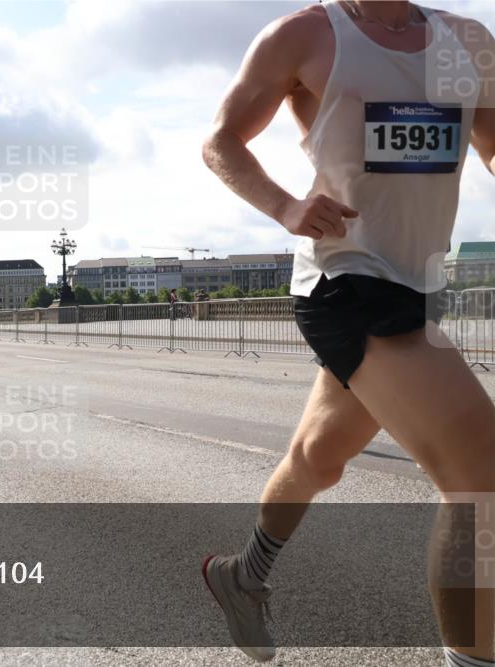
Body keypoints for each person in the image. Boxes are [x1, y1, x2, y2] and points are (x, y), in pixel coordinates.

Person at [200, 1, 494, 664]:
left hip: (418, 286)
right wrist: (285, 205)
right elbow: (221, 141)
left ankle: (242, 575)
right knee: (480, 478)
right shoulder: (305, 35)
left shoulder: (469, 40)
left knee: (318, 458)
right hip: (346, 281)